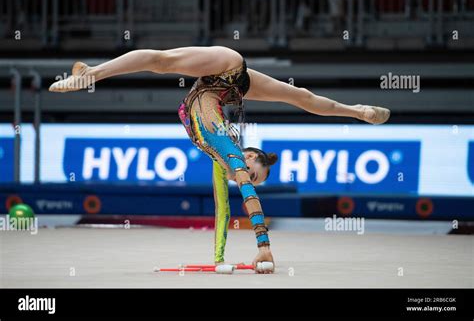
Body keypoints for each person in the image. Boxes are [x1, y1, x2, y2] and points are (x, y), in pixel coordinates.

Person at [49, 46, 390, 273]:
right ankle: (90, 75)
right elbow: (246, 194)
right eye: (255, 175)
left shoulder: (222, 158)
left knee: (299, 96)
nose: (247, 178)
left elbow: (222, 208)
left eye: (252, 178)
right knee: (162, 61)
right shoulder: (230, 151)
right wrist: (263, 245)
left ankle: (357, 110)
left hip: (227, 87)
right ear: (250, 158)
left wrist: (218, 258)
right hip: (226, 68)